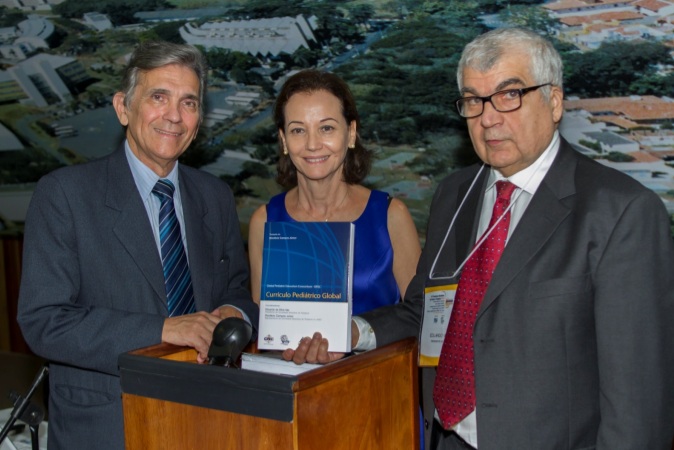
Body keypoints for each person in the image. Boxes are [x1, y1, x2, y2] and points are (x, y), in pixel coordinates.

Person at [287, 28, 674, 450]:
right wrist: (353, 332)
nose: (489, 117)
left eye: (510, 95)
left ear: (555, 101)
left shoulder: (621, 212)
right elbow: (428, 310)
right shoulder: (455, 194)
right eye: (474, 100)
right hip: (445, 437)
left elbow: (638, 407)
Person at [17, 41, 259, 450]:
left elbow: (235, 286)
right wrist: (164, 329)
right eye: (158, 97)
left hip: (207, 419)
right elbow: (45, 321)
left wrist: (233, 313)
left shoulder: (215, 196)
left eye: (189, 103)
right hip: (108, 426)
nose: (174, 117)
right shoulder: (64, 194)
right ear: (123, 107)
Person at [247, 69, 421, 317]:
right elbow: (263, 324)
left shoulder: (391, 216)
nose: (312, 144)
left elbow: (419, 317)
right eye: (298, 130)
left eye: (326, 128)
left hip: (380, 357)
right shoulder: (264, 222)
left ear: (350, 133)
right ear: (284, 140)